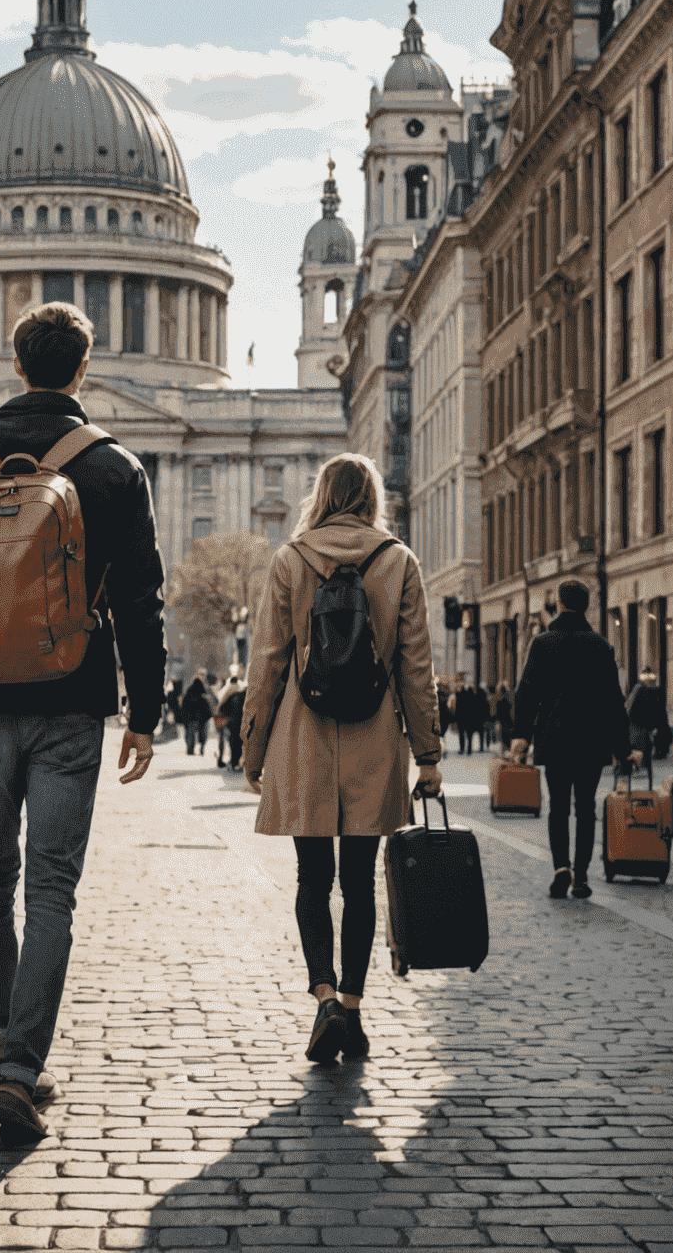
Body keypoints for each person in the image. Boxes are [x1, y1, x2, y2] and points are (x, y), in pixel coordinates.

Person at [0, 300, 165, 1144]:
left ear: (17, 365)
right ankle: (20, 1068)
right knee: (52, 889)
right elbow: (142, 605)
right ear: (84, 368)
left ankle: (4, 1036)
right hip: (72, 704)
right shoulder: (116, 468)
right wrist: (145, 715)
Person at [240, 453, 443, 1066]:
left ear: (321, 495)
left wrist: (252, 750)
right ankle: (353, 1007)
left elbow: (267, 664)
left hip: (303, 738)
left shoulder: (290, 560)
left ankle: (323, 997)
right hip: (375, 739)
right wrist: (428, 754)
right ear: (373, 498)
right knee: (359, 883)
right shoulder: (397, 560)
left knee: (311, 880)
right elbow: (416, 666)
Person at [511, 580, 633, 901]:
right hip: (592, 742)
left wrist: (521, 734)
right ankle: (581, 875)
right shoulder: (601, 646)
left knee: (558, 808)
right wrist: (623, 748)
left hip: (555, 738)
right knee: (585, 808)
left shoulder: (543, 643)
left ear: (561, 605)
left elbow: (527, 694)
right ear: (587, 606)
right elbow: (614, 702)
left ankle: (560, 868)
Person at [626, 668, 672, 765]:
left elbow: (629, 707)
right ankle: (643, 761)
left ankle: (641, 762)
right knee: (643, 744)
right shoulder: (646, 689)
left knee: (641, 745)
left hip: (640, 724)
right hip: (642, 724)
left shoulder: (638, 688)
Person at [216, 665, 247, 771]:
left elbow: (222, 707)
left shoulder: (228, 694)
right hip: (242, 723)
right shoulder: (243, 693)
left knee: (234, 743)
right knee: (240, 743)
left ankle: (234, 763)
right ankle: (237, 763)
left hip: (233, 724)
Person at [182, 669, 213, 756]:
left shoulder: (205, 687)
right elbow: (187, 702)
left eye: (204, 675)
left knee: (197, 733)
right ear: (197, 675)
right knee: (197, 733)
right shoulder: (195, 688)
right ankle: (192, 749)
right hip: (196, 715)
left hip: (197, 715)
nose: (203, 676)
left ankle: (193, 749)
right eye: (201, 674)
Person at [493, 683, 513, 752]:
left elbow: (498, 713)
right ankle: (507, 752)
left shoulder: (499, 701)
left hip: (502, 722)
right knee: (507, 739)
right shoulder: (509, 700)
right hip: (508, 721)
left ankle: (504, 754)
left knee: (503, 739)